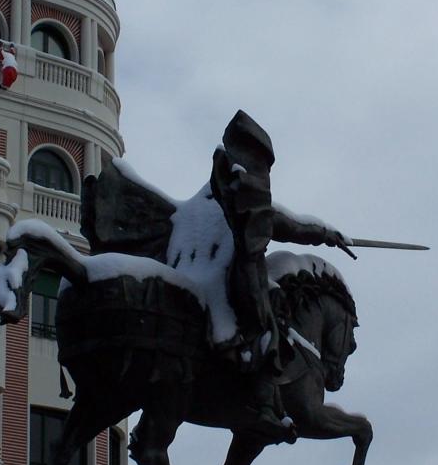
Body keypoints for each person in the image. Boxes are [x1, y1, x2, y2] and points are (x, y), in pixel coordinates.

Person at [80, 110, 353, 439]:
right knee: (272, 313)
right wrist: (327, 234)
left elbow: (286, 224)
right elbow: (292, 227)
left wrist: (325, 233)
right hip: (222, 286)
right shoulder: (244, 199)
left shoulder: (195, 205)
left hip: (181, 282)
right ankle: (266, 401)